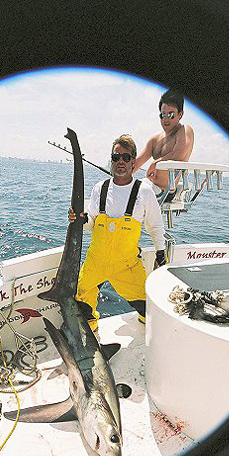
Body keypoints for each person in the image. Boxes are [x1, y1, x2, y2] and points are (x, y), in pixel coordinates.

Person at [69, 134, 166, 332]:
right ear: (111, 161)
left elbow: (155, 226)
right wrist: (79, 220)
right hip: (95, 262)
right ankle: (92, 340)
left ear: (133, 162)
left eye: (126, 157)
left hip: (127, 265)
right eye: (116, 157)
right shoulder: (100, 188)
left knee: (149, 310)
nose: (120, 161)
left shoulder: (144, 192)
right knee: (82, 304)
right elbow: (91, 222)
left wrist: (161, 253)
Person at [134, 89, 194, 201]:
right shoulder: (155, 139)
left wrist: (155, 163)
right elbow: (136, 163)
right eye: (163, 115)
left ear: (180, 114)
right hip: (149, 185)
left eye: (171, 115)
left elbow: (178, 155)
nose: (166, 119)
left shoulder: (184, 130)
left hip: (165, 192)